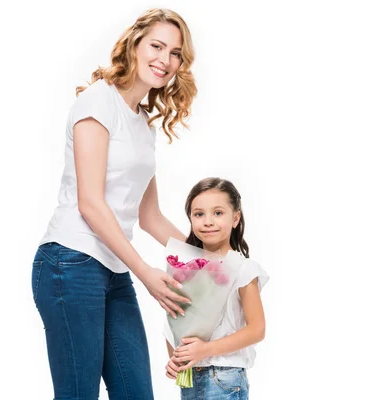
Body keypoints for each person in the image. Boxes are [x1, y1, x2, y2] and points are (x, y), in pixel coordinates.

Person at [31, 8, 197, 400]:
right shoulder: (97, 102)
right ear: (134, 44)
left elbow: (150, 216)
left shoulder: (142, 125)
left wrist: (210, 261)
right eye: (157, 46)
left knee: (137, 393)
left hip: (113, 269)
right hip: (69, 262)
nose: (165, 60)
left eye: (175, 53)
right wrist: (146, 273)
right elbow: (91, 203)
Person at [164, 178, 269, 399]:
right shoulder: (186, 270)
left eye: (218, 213)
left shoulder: (243, 268)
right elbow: (175, 321)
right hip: (191, 379)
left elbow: (257, 329)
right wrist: (176, 359)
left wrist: (205, 349)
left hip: (225, 377)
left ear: (236, 218)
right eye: (199, 214)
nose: (208, 221)